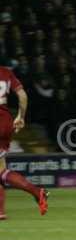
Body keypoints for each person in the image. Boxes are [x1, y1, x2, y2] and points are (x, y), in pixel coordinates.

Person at [0, 66, 49, 220]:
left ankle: (37, 192)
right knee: (0, 168)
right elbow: (22, 96)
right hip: (5, 120)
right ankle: (0, 211)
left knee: (0, 171)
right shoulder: (6, 72)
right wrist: (21, 116)